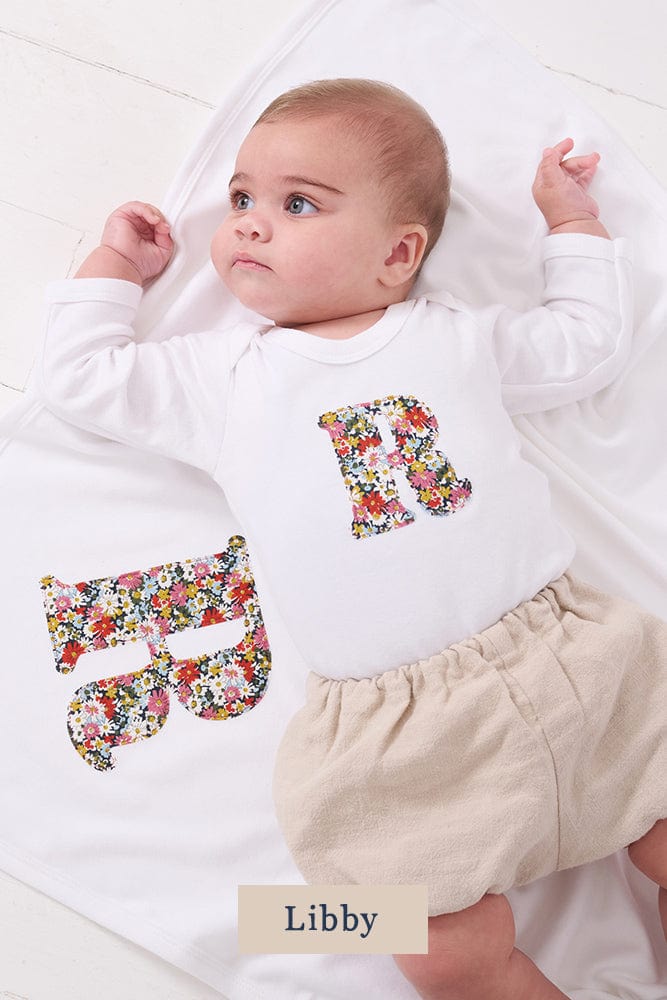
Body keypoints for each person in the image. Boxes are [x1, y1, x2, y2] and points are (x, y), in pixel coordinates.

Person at [38, 79, 666, 999]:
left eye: (296, 204)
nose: (248, 222)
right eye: (241, 197)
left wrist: (568, 223)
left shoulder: (454, 338)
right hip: (398, 738)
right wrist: (112, 268)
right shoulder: (224, 377)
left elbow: (583, 342)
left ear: (397, 253)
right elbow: (81, 378)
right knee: (438, 950)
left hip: (566, 658)